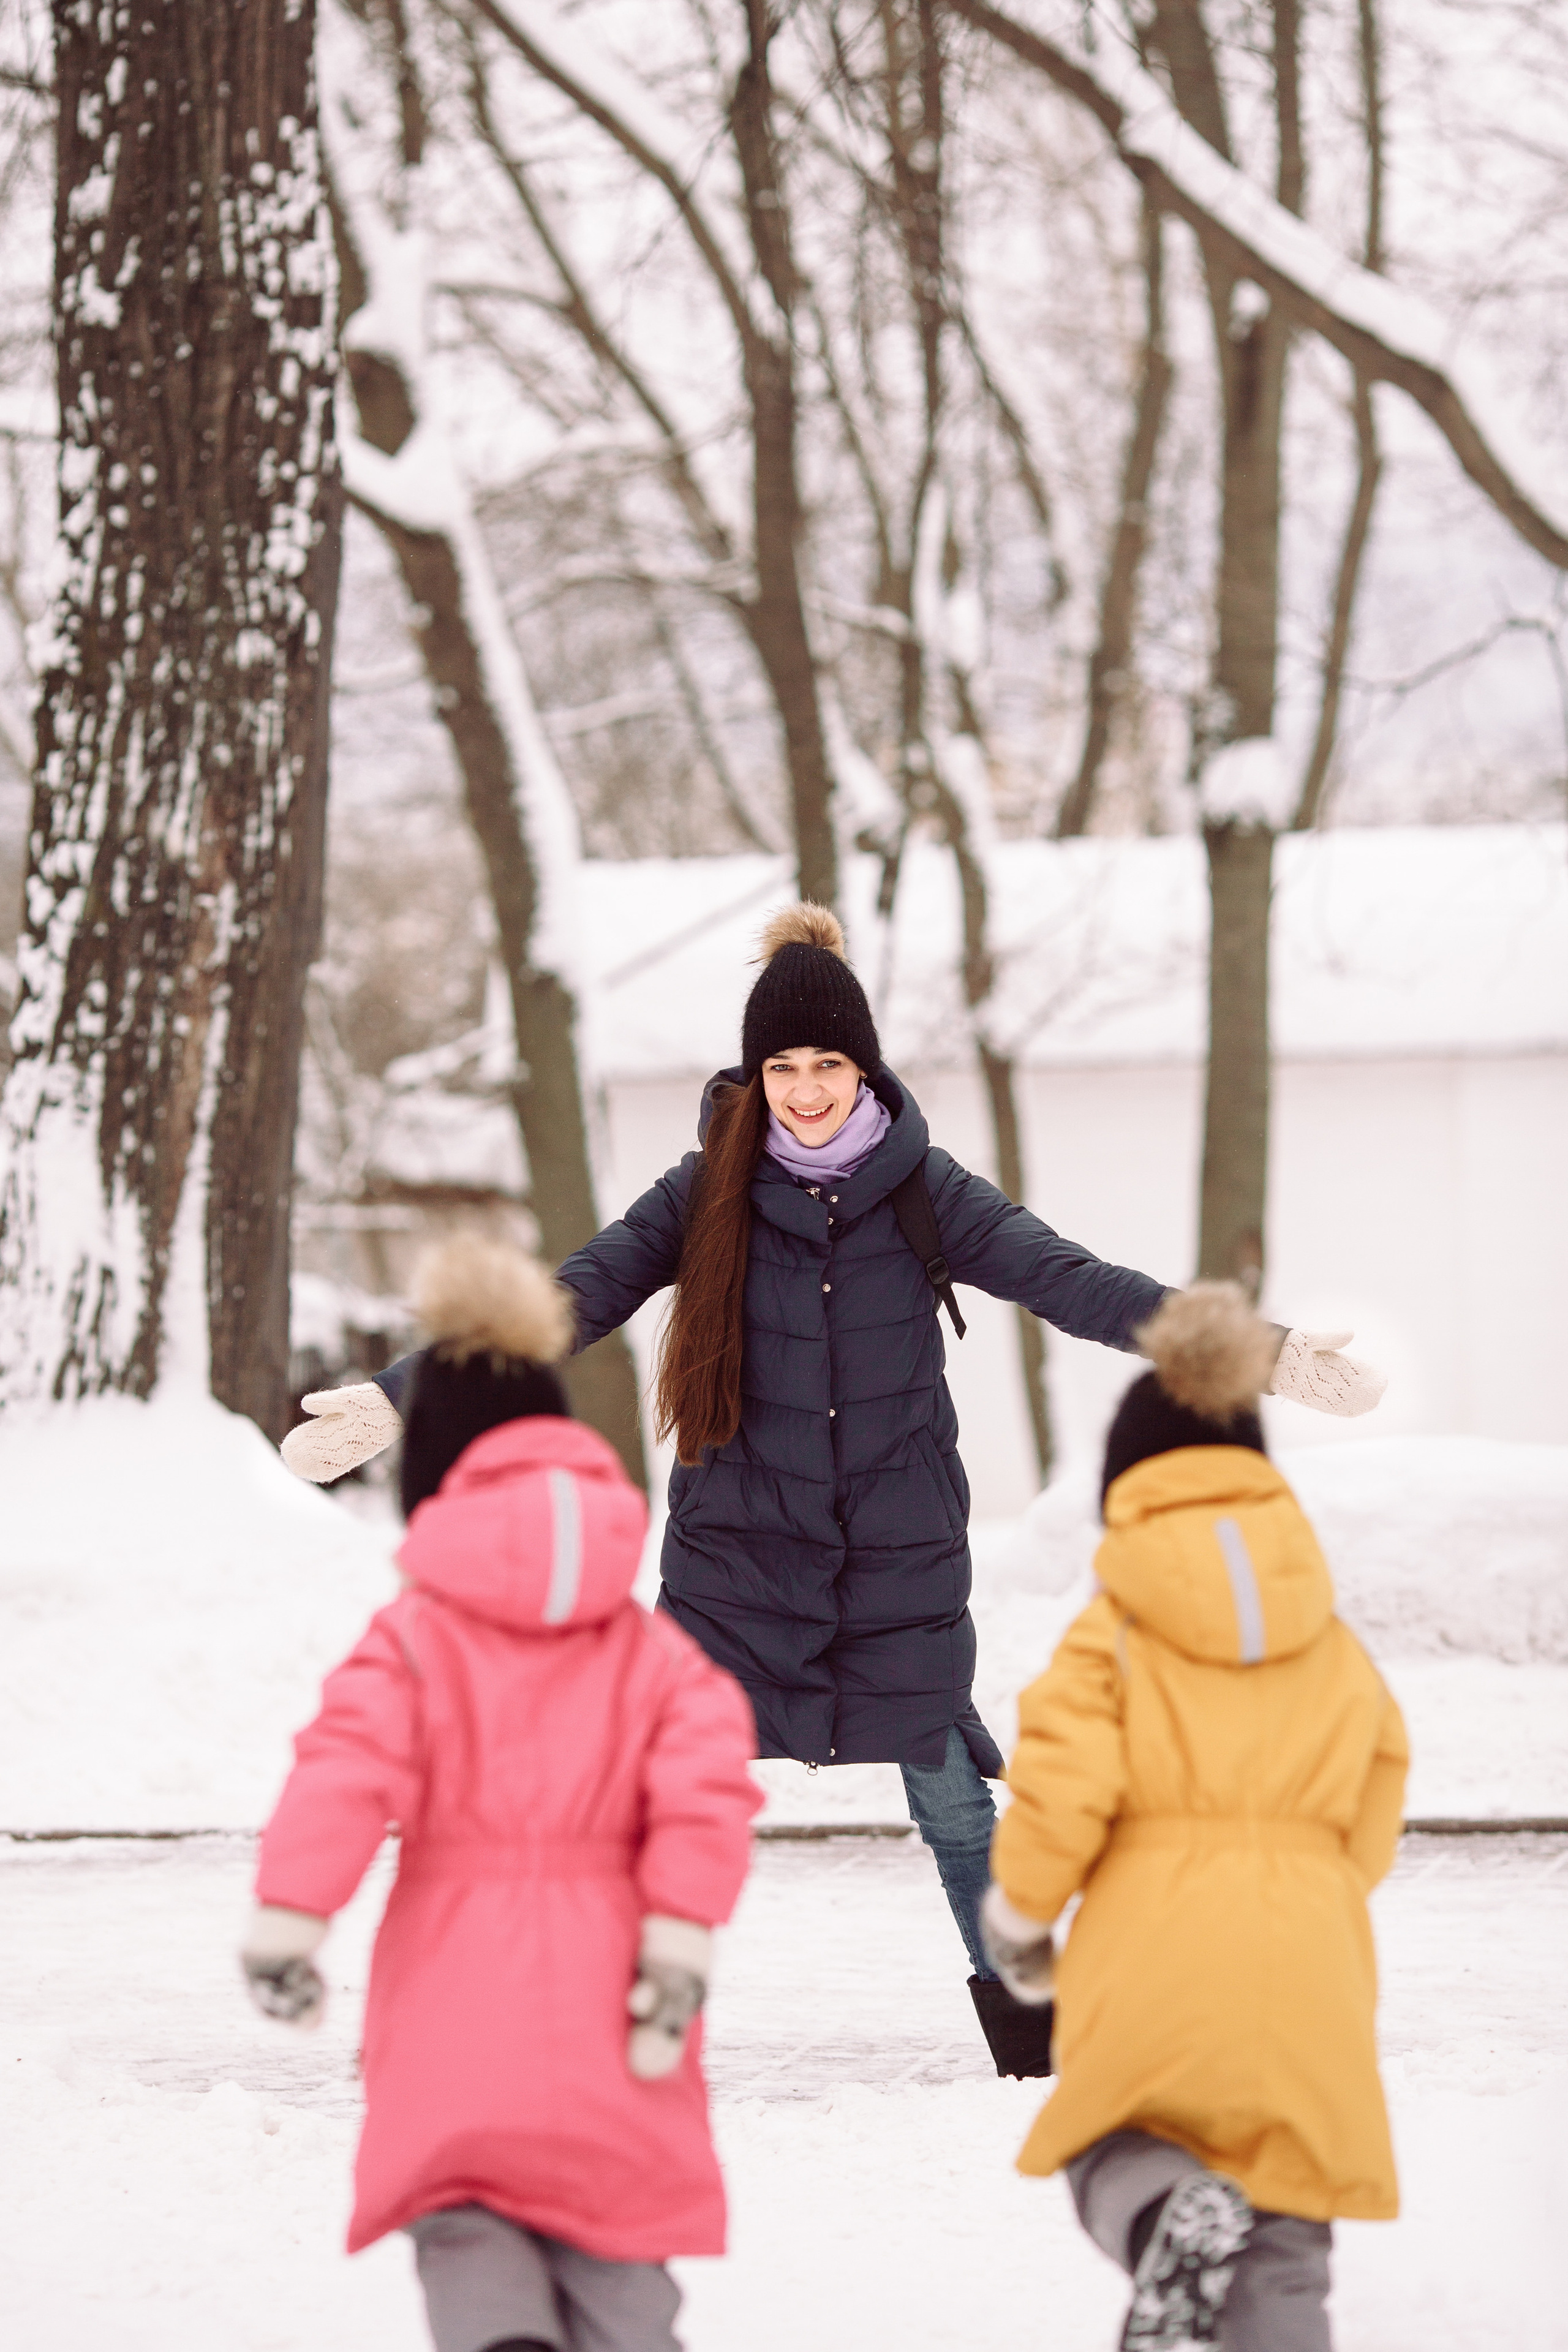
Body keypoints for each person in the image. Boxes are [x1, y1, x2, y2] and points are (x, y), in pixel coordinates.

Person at [282, 905, 1385, 2079]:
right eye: (783, 1067)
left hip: (896, 1548)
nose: (805, 1091)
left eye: (827, 1065)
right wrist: (404, 1398)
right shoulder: (707, 1189)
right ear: (754, 1074)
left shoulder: (925, 1191)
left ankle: (1044, 2039)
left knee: (954, 1802)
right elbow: (574, 1296)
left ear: (865, 1068)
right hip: (738, 1552)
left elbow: (1077, 1283)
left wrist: (1254, 1352)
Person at [243, 1235, 760, 2352]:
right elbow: (707, 1782)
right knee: (617, 2232)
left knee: (467, 2222)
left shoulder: (414, 1640)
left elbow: (342, 1766)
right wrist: (676, 1941)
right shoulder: (649, 1654)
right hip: (617, 1986)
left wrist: (290, 1921)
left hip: (451, 1988)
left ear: (438, 1479)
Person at [981, 1283, 1408, 2350]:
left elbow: (1062, 1789)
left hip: (1155, 1948)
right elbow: (1378, 1792)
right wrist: (1312, 1886)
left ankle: (1168, 2211)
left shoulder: (1112, 1636)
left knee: (1118, 2138)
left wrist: (1022, 1927)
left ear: (1128, 1487)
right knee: (1288, 2220)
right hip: (1314, 1959)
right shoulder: (1333, 1646)